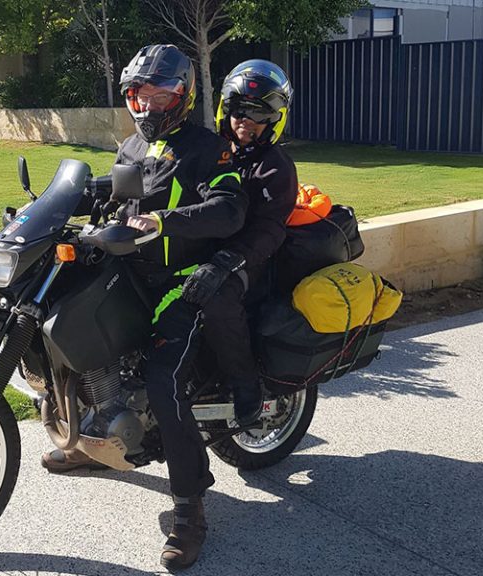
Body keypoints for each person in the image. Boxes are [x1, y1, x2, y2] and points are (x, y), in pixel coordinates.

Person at [41, 44, 247, 571]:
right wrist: (52, 207)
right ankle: (88, 441)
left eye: (160, 96)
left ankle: (190, 510)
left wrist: (165, 222)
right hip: (130, 273)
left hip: (182, 283)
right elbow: (115, 193)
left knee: (162, 380)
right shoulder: (133, 144)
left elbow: (230, 208)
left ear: (184, 95)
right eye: (138, 96)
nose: (148, 106)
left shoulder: (208, 148)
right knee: (75, 339)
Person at [182, 59, 297, 425]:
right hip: (204, 246)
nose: (245, 120)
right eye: (238, 110)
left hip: (251, 258)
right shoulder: (210, 149)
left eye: (258, 114)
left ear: (274, 120)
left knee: (217, 297)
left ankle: (246, 385)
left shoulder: (275, 167)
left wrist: (225, 263)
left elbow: (270, 230)